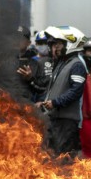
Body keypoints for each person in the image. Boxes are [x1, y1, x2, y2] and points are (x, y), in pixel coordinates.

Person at [37, 26, 87, 155]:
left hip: (66, 123)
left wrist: (55, 102)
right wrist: (44, 102)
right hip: (55, 120)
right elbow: (54, 89)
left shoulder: (76, 64)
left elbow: (76, 91)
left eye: (58, 44)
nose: (55, 47)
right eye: (54, 44)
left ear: (70, 44)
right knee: (53, 160)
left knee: (64, 160)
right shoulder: (61, 64)